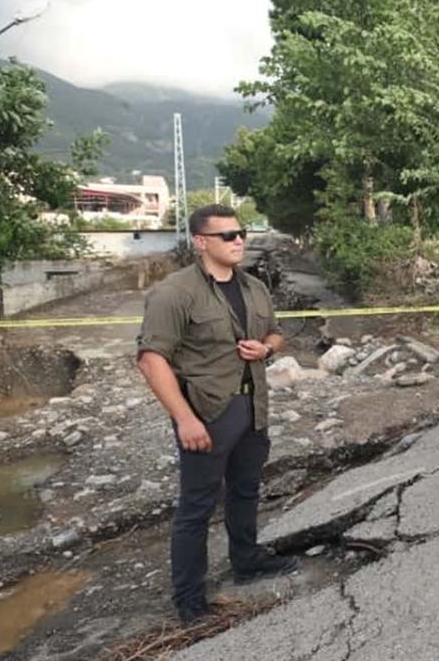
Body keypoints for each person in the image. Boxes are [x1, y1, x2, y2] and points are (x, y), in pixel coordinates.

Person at [136, 204, 298, 624]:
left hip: (253, 407)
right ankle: (190, 601)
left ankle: (247, 562)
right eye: (227, 235)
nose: (238, 240)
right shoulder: (175, 293)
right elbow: (151, 360)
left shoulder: (254, 287)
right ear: (201, 242)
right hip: (207, 411)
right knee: (197, 506)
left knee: (245, 490)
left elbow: (276, 333)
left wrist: (267, 348)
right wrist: (185, 419)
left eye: (241, 233)